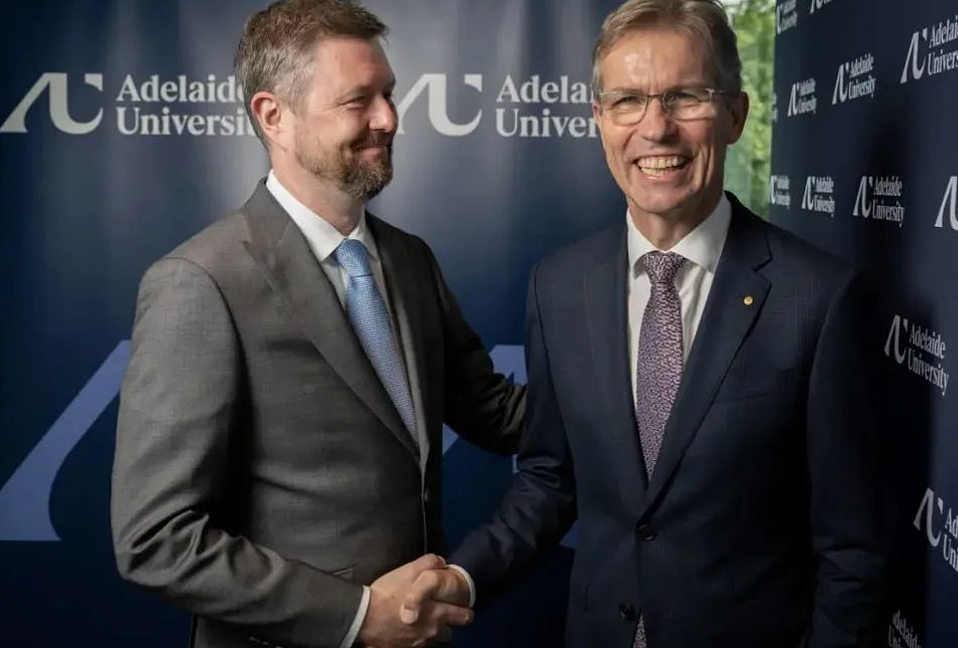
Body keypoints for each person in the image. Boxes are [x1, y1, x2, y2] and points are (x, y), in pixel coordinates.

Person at [410, 1, 888, 646]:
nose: (655, 128)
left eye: (685, 96)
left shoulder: (819, 298)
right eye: (628, 101)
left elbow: (853, 550)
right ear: (600, 120)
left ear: (736, 115)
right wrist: (465, 578)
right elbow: (551, 480)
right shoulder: (558, 285)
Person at [110, 1, 524, 647]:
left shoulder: (410, 259)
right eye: (358, 101)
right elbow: (156, 539)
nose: (387, 119)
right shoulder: (201, 282)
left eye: (388, 95)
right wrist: (358, 617)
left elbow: (494, 411)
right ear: (273, 115)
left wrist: (647, 401)